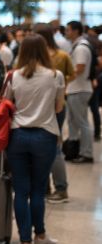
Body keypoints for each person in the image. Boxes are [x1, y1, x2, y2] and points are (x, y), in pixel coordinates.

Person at [3, 34, 64, 244]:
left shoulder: (13, 76)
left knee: (21, 190)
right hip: (45, 135)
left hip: (18, 135)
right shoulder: (55, 76)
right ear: (45, 50)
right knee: (39, 189)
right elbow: (58, 108)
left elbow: (6, 106)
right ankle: (40, 237)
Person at [33, 25, 74, 204]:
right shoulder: (61, 56)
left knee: (53, 149)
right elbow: (70, 75)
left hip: (44, 106)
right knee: (51, 146)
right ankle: (50, 187)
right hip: (56, 104)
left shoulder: (36, 58)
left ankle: (59, 188)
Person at [64, 20, 95, 163]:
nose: (66, 32)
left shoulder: (81, 48)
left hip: (79, 89)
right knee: (73, 122)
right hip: (77, 89)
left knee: (82, 122)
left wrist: (65, 81)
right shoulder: (78, 46)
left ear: (75, 31)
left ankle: (87, 153)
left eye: (68, 30)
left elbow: (80, 68)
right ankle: (74, 150)